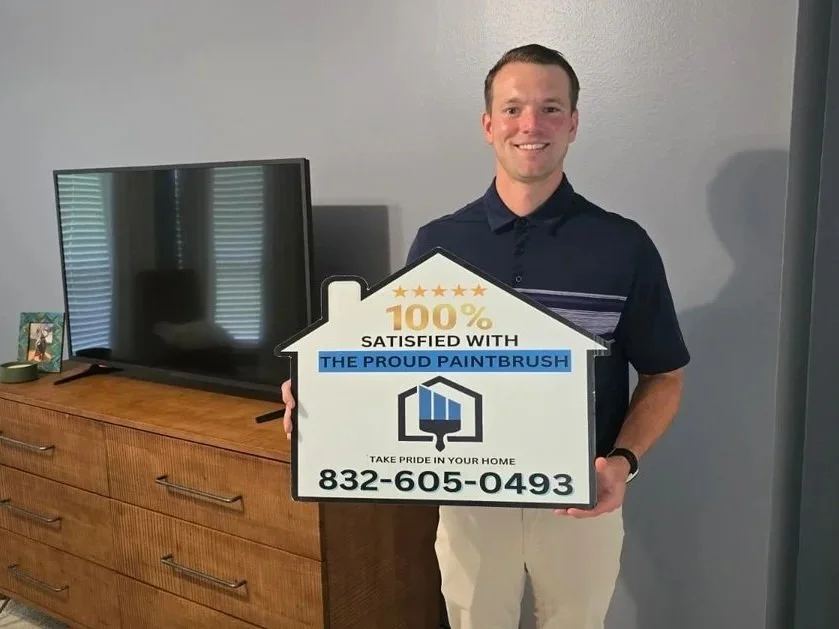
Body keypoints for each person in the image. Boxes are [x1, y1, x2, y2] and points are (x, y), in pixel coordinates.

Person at [281, 43, 689, 629]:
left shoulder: (623, 246)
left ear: (573, 123)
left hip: (578, 498)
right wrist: (321, 395)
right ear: (488, 124)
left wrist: (622, 461)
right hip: (468, 498)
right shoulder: (438, 243)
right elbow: (395, 364)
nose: (531, 124)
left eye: (551, 108)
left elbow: (664, 375)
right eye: (514, 107)